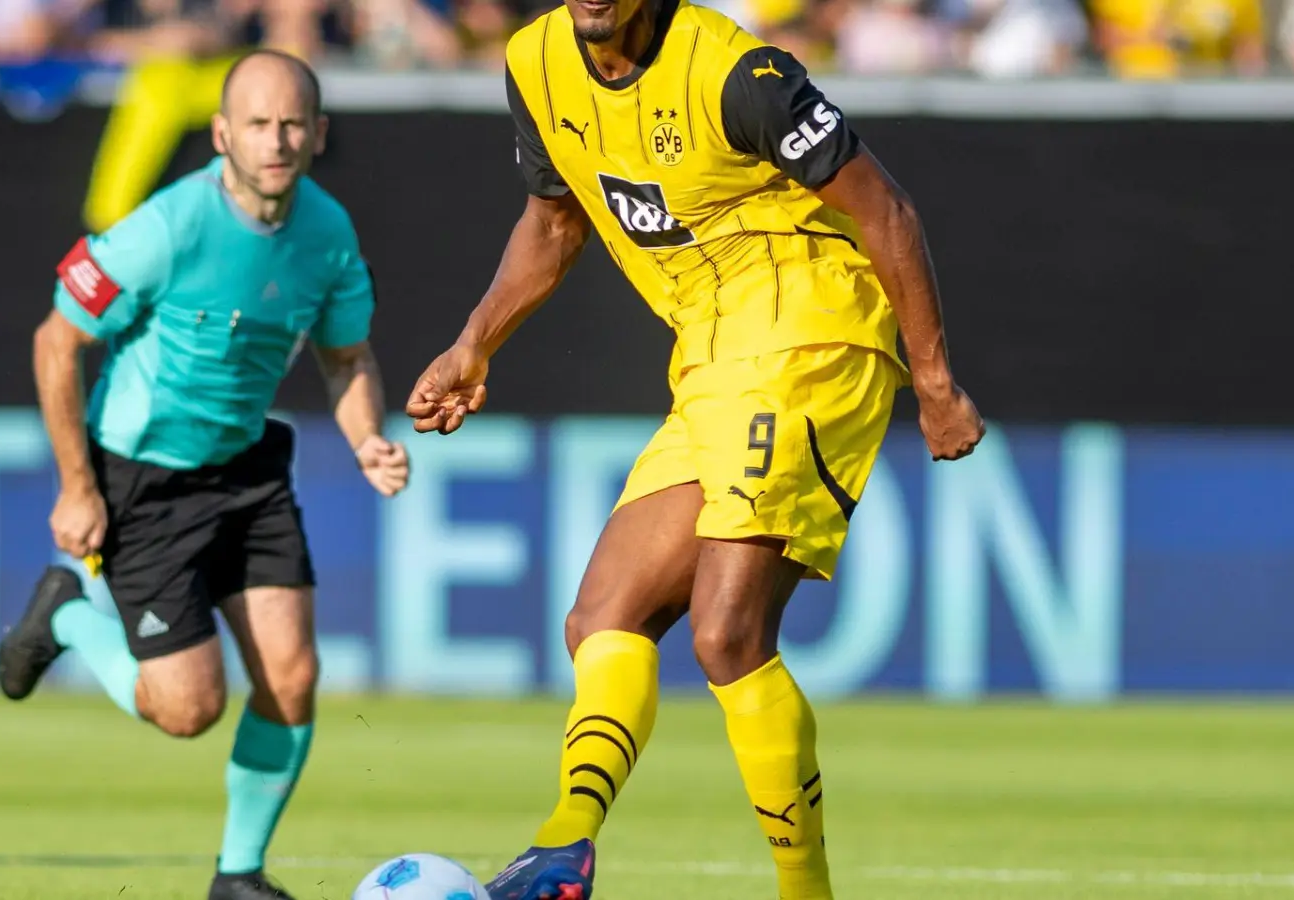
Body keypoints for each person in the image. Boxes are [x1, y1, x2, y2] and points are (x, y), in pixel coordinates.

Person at [404, 0, 986, 897]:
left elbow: (888, 210)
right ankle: (563, 849)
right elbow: (555, 221)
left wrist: (936, 383)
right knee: (602, 617)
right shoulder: (535, 62)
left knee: (726, 630)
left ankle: (807, 892)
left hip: (814, 329)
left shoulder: (735, 75)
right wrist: (476, 343)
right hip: (709, 355)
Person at [0, 49, 408, 900]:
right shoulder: (166, 228)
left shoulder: (328, 233)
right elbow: (56, 341)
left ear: (319, 133)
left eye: (294, 123)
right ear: (222, 134)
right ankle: (68, 614)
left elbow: (346, 356)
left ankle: (238, 876)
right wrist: (77, 486)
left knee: (292, 677)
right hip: (141, 479)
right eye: (257, 123)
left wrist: (368, 436)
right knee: (188, 710)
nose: (276, 139)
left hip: (247, 469)